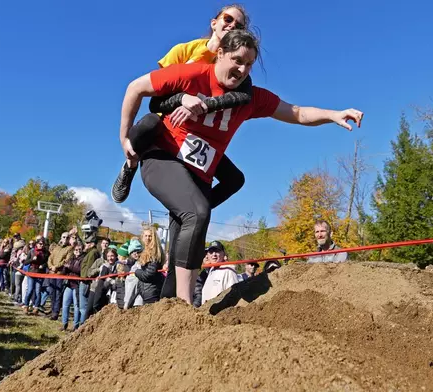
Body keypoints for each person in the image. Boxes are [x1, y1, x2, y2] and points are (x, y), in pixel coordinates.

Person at [118, 29, 364, 304]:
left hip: (199, 174)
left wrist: (333, 114)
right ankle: (186, 305)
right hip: (162, 158)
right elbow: (136, 87)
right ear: (220, 53)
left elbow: (297, 113)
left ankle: (165, 311)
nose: (242, 69)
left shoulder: (251, 98)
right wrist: (124, 136)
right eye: (237, 60)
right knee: (197, 213)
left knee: (189, 237)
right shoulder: (193, 75)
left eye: (248, 64)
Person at [111, 4, 253, 205]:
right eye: (228, 19)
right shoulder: (184, 51)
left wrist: (204, 105)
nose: (232, 26)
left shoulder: (236, 67)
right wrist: (182, 99)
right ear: (214, 23)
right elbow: (155, 101)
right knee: (148, 125)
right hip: (167, 124)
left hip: (199, 136)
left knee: (235, 180)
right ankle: (130, 165)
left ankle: (191, 213)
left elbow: (244, 97)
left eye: (239, 25)